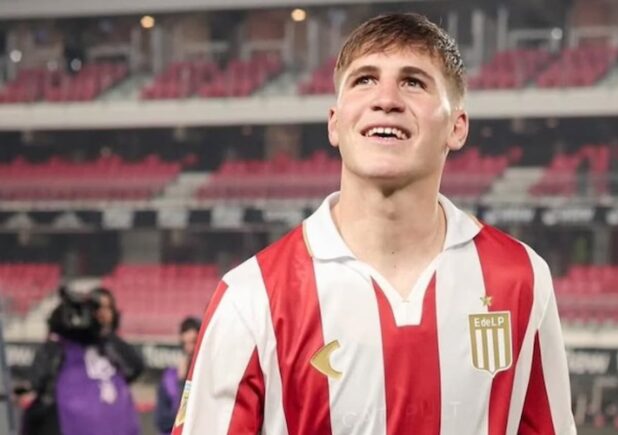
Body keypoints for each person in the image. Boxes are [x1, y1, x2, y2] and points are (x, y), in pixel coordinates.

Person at [174, 13, 575, 435]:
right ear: (335, 122)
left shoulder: (521, 277)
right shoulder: (251, 296)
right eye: (364, 80)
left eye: (413, 82)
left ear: (456, 127)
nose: (386, 99)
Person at [21, 286, 144, 435]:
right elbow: (38, 380)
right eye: (95, 308)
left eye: (106, 308)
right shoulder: (58, 348)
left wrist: (103, 333)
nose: (100, 313)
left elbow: (135, 368)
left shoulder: (112, 347)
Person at [155, 316, 201, 435]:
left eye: (193, 342)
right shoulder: (170, 378)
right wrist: (181, 382)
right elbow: (163, 420)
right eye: (185, 343)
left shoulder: (206, 376)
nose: (189, 349)